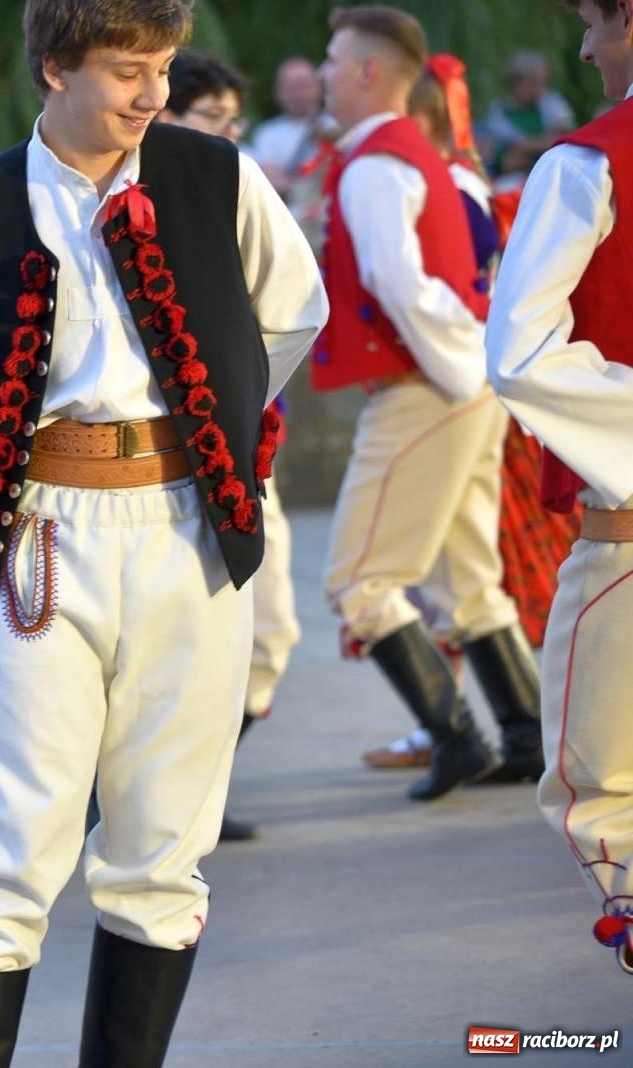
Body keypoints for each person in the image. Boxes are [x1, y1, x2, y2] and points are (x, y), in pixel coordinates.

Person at [0, 0, 326, 1063]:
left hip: (184, 530)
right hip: (40, 536)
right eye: (125, 68)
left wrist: (213, 425)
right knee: (14, 841)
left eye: (159, 64)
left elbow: (294, 310)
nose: (152, 92)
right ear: (56, 67)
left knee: (162, 851)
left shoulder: (215, 177)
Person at [314, 6, 542, 802]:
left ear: (370, 74)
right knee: (466, 573)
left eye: (336, 60)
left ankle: (460, 739)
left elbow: (402, 285)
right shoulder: (407, 156)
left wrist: (453, 369)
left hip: (427, 388)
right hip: (457, 382)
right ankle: (524, 734)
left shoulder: (378, 161)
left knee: (358, 581)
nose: (325, 73)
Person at [486, 0, 633, 976]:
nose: (584, 48)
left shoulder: (586, 162)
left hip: (626, 532)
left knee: (606, 796)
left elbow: (520, 349)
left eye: (592, 20)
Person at [161, 49, 303, 843]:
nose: (229, 133)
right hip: (145, 464)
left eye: (231, 120)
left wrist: (237, 405)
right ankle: (153, 800)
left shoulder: (232, 189)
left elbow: (286, 311)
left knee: (269, 630)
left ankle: (187, 792)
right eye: (214, 116)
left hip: (239, 443)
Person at [478, 50, 577, 185]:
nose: (541, 88)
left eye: (543, 82)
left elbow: (562, 142)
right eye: (534, 82)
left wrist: (524, 146)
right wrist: (539, 145)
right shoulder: (497, 116)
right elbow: (507, 162)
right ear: (515, 84)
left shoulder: (553, 104)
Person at [249, 57, 325, 199]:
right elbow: (270, 179)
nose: (298, 94)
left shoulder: (336, 126)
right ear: (278, 92)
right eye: (290, 87)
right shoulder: (268, 133)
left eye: (303, 85)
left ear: (318, 87)